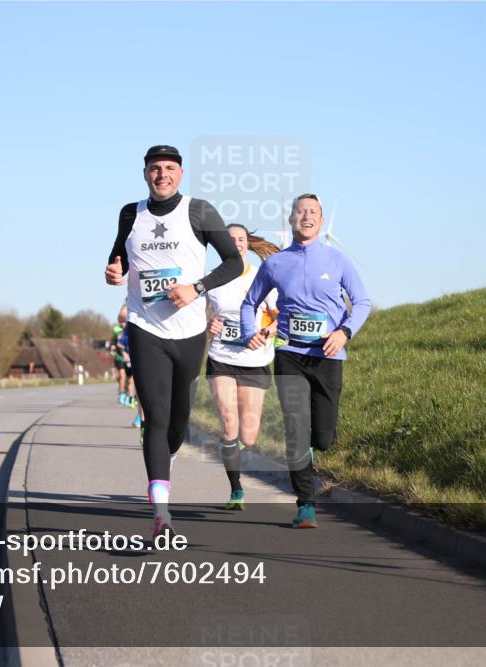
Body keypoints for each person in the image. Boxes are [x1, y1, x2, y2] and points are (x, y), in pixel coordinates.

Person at [105, 145, 243, 542]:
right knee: (156, 418)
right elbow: (118, 260)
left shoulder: (198, 211)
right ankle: (161, 516)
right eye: (154, 168)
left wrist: (196, 288)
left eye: (168, 168)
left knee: (178, 423)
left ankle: (167, 456)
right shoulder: (131, 213)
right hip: (145, 328)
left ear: (181, 173)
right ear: (144, 173)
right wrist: (115, 272)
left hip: (189, 332)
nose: (161, 174)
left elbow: (233, 262)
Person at [241, 193, 371, 528]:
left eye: (313, 212)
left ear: (322, 220)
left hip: (328, 355)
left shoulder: (337, 260)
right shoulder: (275, 264)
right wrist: (248, 333)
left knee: (323, 437)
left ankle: (310, 453)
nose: (306, 216)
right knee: (296, 430)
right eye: (301, 211)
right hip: (289, 354)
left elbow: (362, 302)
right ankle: (306, 504)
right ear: (291, 220)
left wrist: (344, 332)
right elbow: (248, 304)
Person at [205, 224, 280, 510]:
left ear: (248, 244)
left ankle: (239, 460)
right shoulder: (213, 279)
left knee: (248, 436)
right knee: (228, 425)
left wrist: (268, 331)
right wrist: (208, 324)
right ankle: (236, 489)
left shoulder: (263, 276)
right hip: (221, 357)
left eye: (241, 239)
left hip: (255, 360)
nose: (236, 243)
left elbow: (279, 314)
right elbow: (200, 315)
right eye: (230, 239)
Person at [111, 305, 131, 405]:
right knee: (122, 375)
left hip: (130, 358)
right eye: (121, 320)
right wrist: (112, 348)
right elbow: (114, 342)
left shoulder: (131, 328)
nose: (123, 323)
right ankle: (122, 393)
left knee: (129, 379)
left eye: (125, 320)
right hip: (119, 356)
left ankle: (129, 395)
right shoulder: (116, 330)